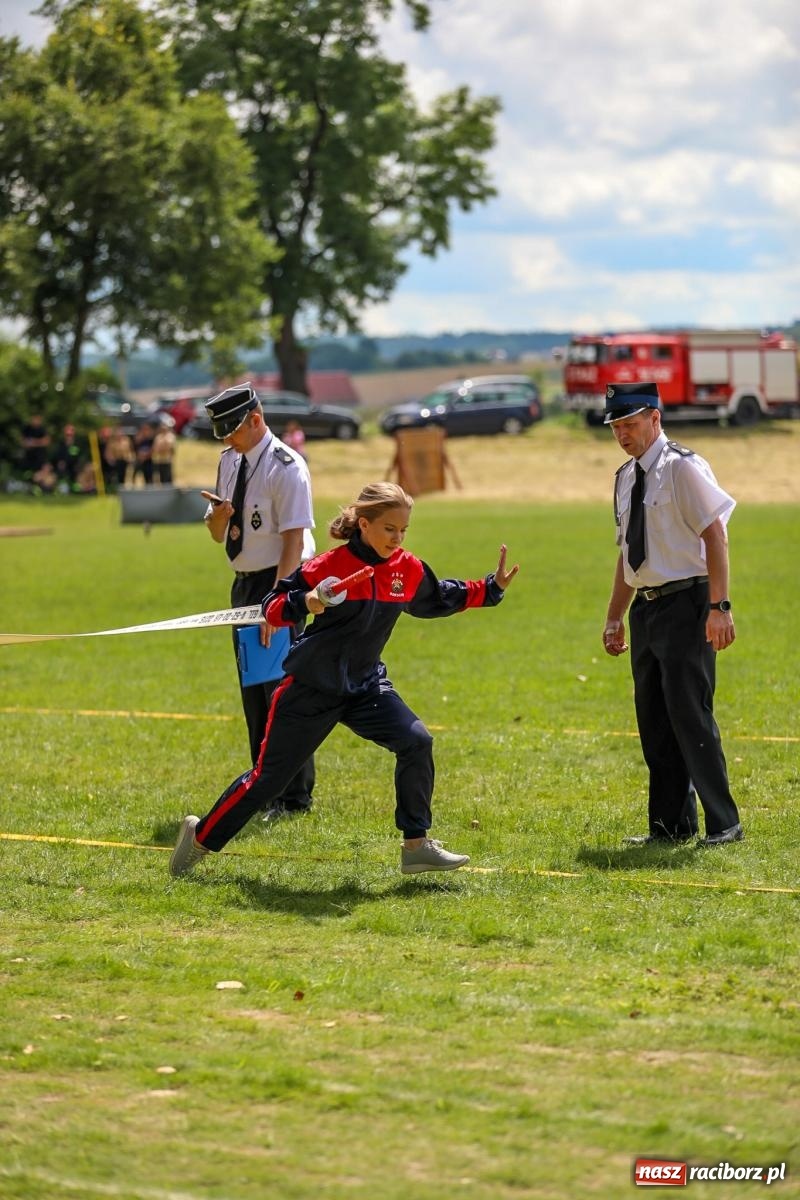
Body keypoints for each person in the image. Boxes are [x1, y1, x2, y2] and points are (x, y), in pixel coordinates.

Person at [170, 481, 519, 879]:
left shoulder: (407, 567)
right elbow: (273, 607)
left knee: (417, 741)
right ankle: (200, 840)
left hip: (366, 685)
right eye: (390, 529)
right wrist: (309, 601)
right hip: (311, 688)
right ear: (364, 524)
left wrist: (490, 589)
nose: (398, 538)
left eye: (404, 530)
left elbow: (437, 597)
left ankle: (416, 846)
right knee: (268, 781)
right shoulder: (327, 566)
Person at [601, 382, 743, 847]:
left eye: (631, 423)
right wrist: (615, 617)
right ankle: (669, 827)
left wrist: (719, 607)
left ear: (656, 418)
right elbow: (628, 554)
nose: (623, 433)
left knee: (690, 715)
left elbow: (715, 537)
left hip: (689, 602)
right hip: (646, 610)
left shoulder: (683, 467)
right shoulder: (624, 477)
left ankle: (725, 823)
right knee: (655, 720)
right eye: (616, 426)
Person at [201, 382, 316, 821]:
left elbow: (293, 540)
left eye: (234, 430)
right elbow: (218, 535)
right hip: (244, 585)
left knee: (282, 694)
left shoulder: (286, 467)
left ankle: (293, 797)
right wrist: (218, 519)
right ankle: (262, 788)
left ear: (255, 419)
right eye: (222, 434)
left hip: (279, 582)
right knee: (255, 690)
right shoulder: (229, 461)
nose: (228, 440)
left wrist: (280, 602)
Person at [151, 418, 176, 485]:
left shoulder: (170, 436)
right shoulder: (158, 437)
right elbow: (155, 448)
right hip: (160, 460)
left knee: (168, 477)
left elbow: (169, 447)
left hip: (167, 460)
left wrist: (161, 448)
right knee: (161, 477)